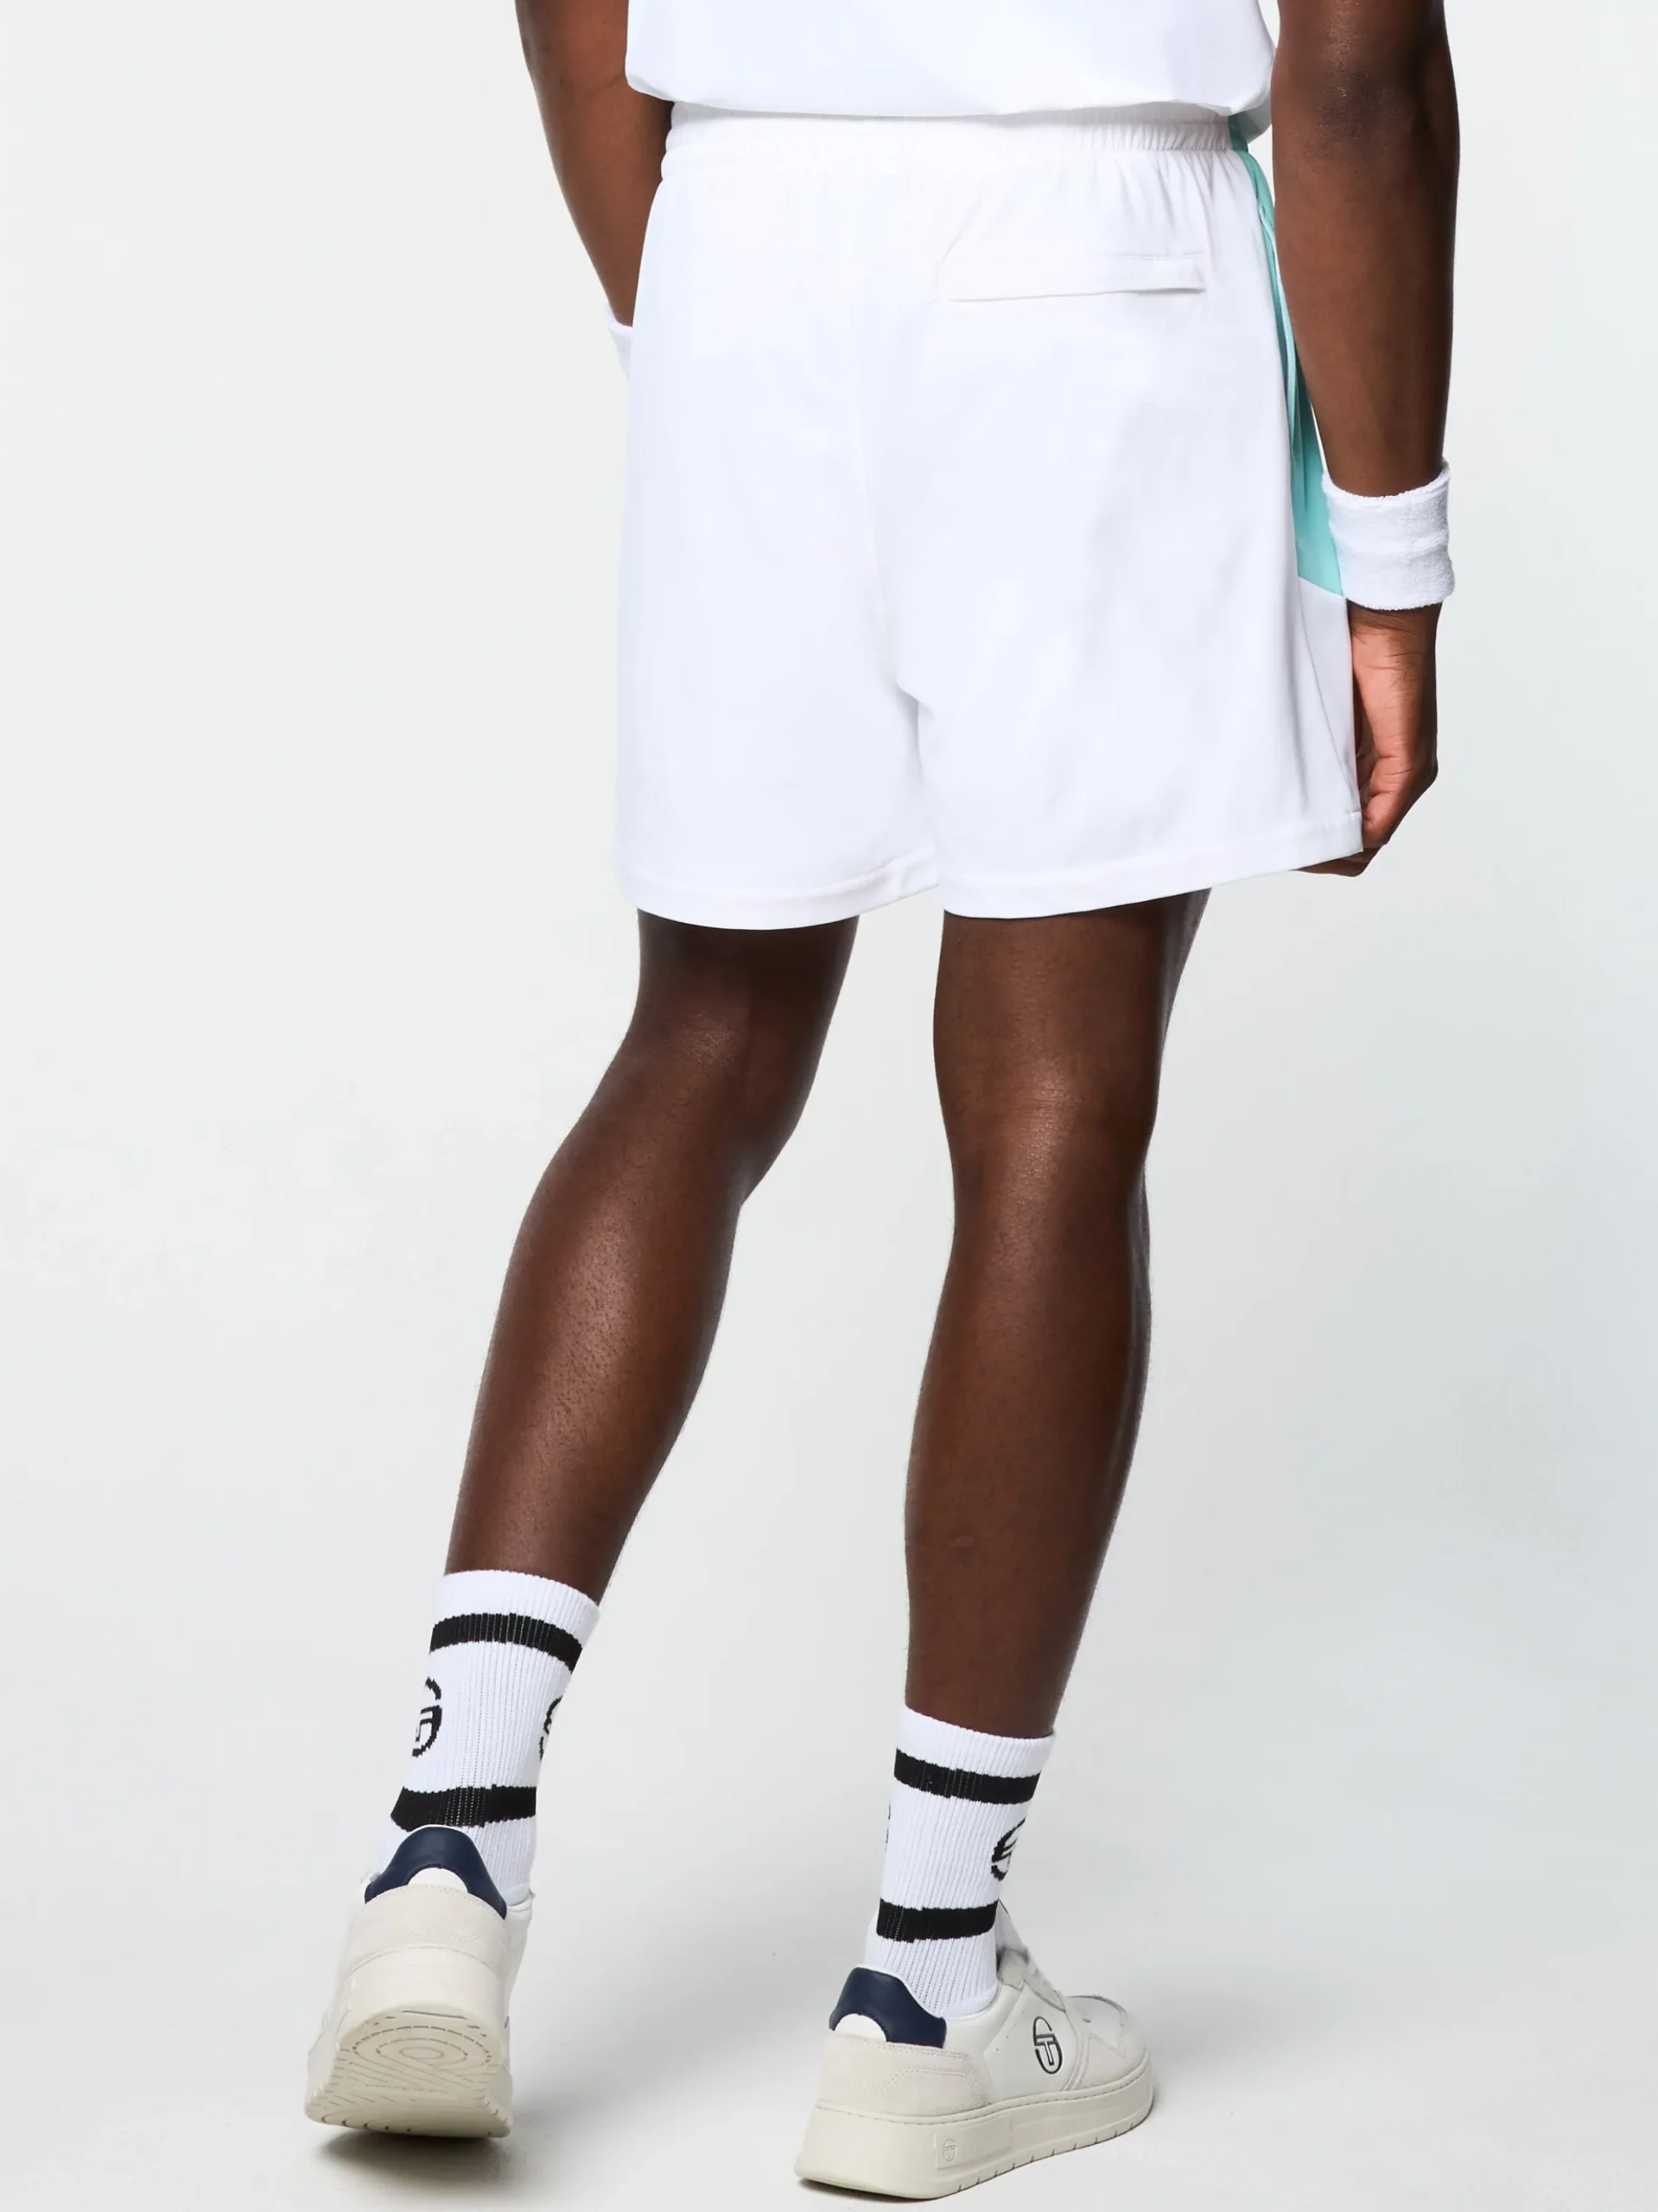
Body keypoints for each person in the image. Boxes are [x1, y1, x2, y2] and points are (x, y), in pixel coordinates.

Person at [305, 0, 1458, 2194]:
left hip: (745, 233)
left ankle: (438, 1869)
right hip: (1095, 278)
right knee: (1052, 1113)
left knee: (700, 1039)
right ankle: (925, 1997)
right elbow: (1351, 69)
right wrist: (1388, 554)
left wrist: (695, 297)